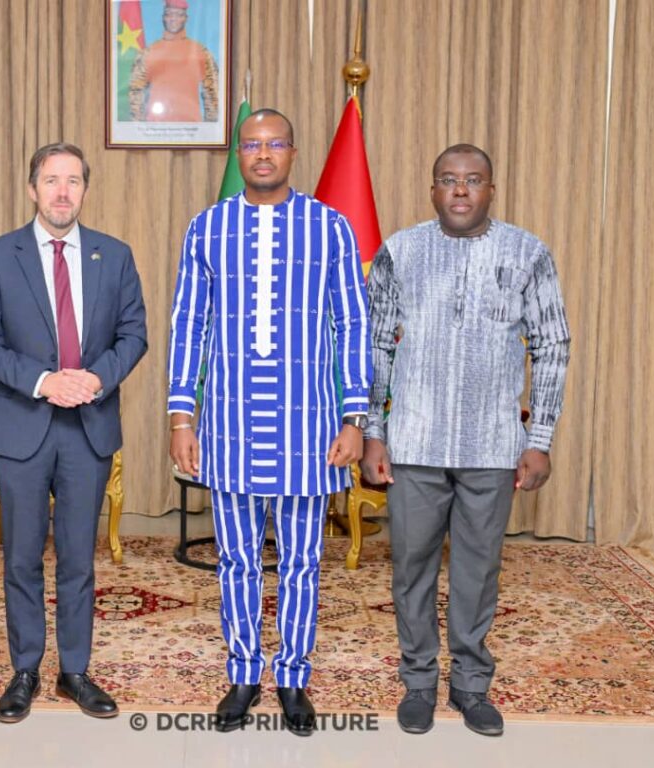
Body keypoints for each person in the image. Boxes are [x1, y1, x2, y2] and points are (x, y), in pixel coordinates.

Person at [167, 109, 372, 736]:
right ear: (238, 154)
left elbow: (353, 324)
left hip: (308, 430)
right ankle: (242, 672)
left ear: (292, 151)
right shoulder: (207, 228)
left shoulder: (331, 228)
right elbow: (188, 325)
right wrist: (182, 413)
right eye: (251, 145)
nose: (262, 154)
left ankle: (294, 678)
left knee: (304, 561)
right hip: (228, 428)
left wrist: (354, 415)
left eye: (274, 143)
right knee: (236, 560)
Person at [362, 144, 571, 737]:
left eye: (472, 180)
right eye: (448, 180)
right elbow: (375, 345)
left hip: (492, 446)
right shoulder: (401, 251)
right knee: (412, 569)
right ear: (432, 190)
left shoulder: (527, 252)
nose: (460, 190)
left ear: (490, 191)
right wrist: (375, 432)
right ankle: (420, 681)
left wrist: (540, 437)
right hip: (416, 444)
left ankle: (472, 685)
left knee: (479, 571)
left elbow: (552, 345)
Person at [0, 143, 147, 723]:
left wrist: (94, 378)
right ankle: (25, 669)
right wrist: (45, 381)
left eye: (72, 181)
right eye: (51, 180)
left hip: (87, 429)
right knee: (20, 556)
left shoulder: (113, 256)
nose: (62, 191)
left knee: (77, 558)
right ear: (32, 189)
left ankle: (75, 671)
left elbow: (134, 335)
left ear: (85, 190)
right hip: (22, 427)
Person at [128, 0, 219, 122]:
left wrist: (210, 129)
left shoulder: (201, 52)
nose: (173, 19)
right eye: (169, 14)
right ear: (163, 18)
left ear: (185, 18)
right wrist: (139, 128)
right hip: (155, 131)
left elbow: (212, 93)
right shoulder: (148, 53)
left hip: (192, 132)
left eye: (178, 15)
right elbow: (135, 93)